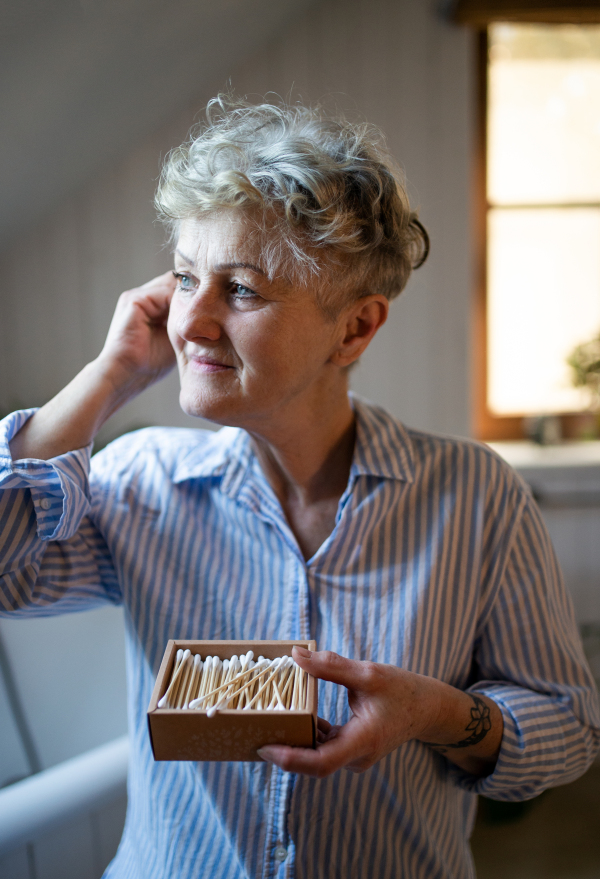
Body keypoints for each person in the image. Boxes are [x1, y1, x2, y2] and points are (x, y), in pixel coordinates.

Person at [1, 96, 598, 879]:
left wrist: (435, 712)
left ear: (354, 328)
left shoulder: (476, 494)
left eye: (241, 290)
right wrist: (107, 375)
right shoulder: (138, 482)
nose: (192, 322)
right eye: (184, 278)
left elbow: (569, 727)